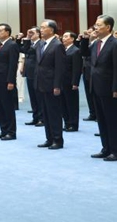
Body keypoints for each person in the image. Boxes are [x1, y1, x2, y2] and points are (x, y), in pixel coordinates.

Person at [80, 15, 117, 161]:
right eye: (95, 24)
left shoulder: (116, 44)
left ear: (108, 27)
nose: (95, 27)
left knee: (112, 120)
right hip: (96, 86)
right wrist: (86, 39)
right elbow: (84, 53)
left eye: (99, 25)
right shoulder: (96, 43)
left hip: (110, 88)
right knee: (101, 120)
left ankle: (116, 151)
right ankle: (106, 148)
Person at [35, 20, 66, 149]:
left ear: (51, 30)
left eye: (43, 28)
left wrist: (57, 85)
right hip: (41, 83)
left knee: (54, 113)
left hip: (52, 84)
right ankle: (49, 138)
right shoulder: (42, 43)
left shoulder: (57, 45)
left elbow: (60, 67)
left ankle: (57, 140)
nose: (41, 30)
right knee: (46, 113)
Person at [20, 27, 43, 127]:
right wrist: (26, 38)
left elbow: (30, 51)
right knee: (33, 97)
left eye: (32, 32)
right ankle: (35, 117)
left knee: (39, 98)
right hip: (29, 73)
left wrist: (27, 39)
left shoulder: (40, 43)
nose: (30, 34)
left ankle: (42, 118)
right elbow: (23, 50)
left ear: (38, 34)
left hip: (37, 74)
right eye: (29, 32)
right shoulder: (31, 44)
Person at [61, 31, 83, 132]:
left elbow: (77, 68)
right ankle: (67, 123)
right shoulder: (62, 50)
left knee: (72, 104)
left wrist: (75, 83)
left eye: (66, 37)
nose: (63, 38)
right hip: (62, 81)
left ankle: (73, 124)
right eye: (63, 37)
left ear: (72, 39)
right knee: (63, 103)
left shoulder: (75, 51)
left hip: (70, 81)